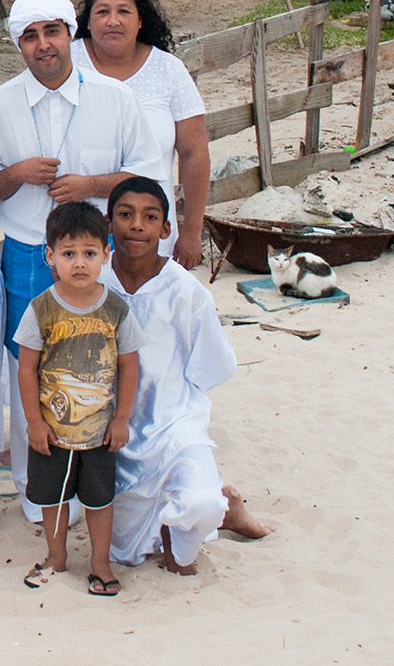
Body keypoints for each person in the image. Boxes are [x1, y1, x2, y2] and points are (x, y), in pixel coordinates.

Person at [0, 0, 155, 517]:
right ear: (19, 45)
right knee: (28, 369)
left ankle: (97, 489)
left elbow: (146, 176)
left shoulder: (115, 98)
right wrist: (15, 174)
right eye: (29, 36)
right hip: (29, 255)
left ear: (70, 33)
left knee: (97, 367)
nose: (43, 45)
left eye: (51, 31)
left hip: (96, 258)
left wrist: (90, 186)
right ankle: (40, 498)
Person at [102, 175, 273, 574]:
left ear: (166, 228)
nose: (137, 226)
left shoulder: (186, 291)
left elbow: (212, 366)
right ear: (108, 222)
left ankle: (221, 507)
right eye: (125, 215)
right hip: (113, 433)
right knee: (121, 552)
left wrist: (173, 401)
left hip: (174, 424)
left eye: (150, 217)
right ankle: (220, 508)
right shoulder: (94, 282)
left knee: (200, 505)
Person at [14, 201, 144, 598]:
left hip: (101, 432)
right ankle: (56, 556)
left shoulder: (117, 310)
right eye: (69, 254)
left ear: (106, 254)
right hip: (52, 432)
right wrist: (35, 423)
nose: (80, 263)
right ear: (50, 256)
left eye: (89, 253)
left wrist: (121, 419)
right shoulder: (41, 310)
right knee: (52, 498)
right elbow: (26, 369)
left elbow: (129, 366)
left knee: (99, 500)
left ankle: (100, 562)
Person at [73, 0, 209, 268]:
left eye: (124, 11)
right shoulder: (68, 65)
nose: (113, 21)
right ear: (87, 21)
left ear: (140, 21)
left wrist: (192, 231)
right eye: (102, 12)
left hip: (148, 230)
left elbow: (194, 152)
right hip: (78, 237)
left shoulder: (168, 70)